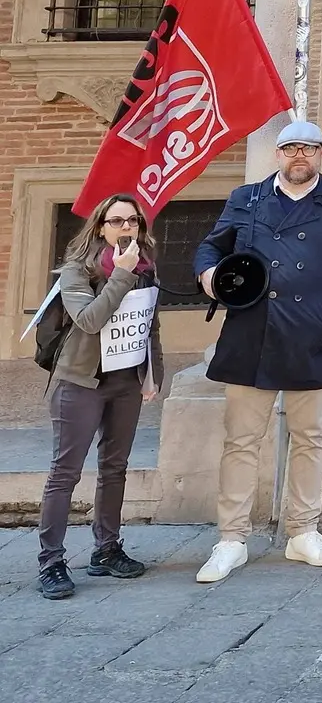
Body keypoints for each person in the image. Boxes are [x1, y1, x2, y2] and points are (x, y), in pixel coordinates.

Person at [192, 119, 322, 584]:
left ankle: (303, 531)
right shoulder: (247, 198)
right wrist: (210, 279)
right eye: (291, 148)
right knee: (241, 441)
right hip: (251, 331)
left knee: (310, 438)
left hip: (310, 333)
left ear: (321, 155)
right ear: (278, 154)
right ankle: (232, 539)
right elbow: (210, 249)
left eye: (309, 149)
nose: (300, 156)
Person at [35, 194, 165, 599]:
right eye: (117, 221)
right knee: (65, 472)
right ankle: (51, 562)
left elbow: (150, 324)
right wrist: (120, 275)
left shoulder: (146, 269)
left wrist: (152, 374)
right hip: (81, 382)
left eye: (133, 222)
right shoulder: (76, 271)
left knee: (115, 467)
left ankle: (107, 549)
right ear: (100, 228)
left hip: (126, 381)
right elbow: (90, 320)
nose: (126, 228)